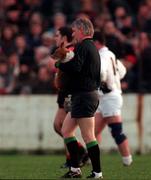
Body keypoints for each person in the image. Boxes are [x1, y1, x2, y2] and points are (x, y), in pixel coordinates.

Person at [55, 18, 103, 179]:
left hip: (85, 96)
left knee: (89, 136)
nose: (73, 33)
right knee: (66, 131)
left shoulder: (83, 46)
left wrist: (59, 65)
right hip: (82, 95)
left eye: (74, 30)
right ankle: (75, 170)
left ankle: (97, 173)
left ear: (82, 30)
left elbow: (75, 67)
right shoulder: (91, 47)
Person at [93, 31, 132, 166]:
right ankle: (91, 160)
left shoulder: (102, 56)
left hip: (109, 97)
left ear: (97, 43)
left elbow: (102, 72)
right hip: (105, 97)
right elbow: (122, 71)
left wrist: (102, 82)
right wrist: (114, 80)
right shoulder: (111, 54)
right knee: (93, 132)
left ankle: (128, 160)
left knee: (116, 130)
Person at [52, 26, 88, 168]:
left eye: (57, 35)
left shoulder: (71, 50)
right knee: (58, 126)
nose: (55, 38)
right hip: (63, 92)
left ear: (64, 38)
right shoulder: (62, 51)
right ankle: (80, 151)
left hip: (70, 92)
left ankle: (72, 159)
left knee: (65, 128)